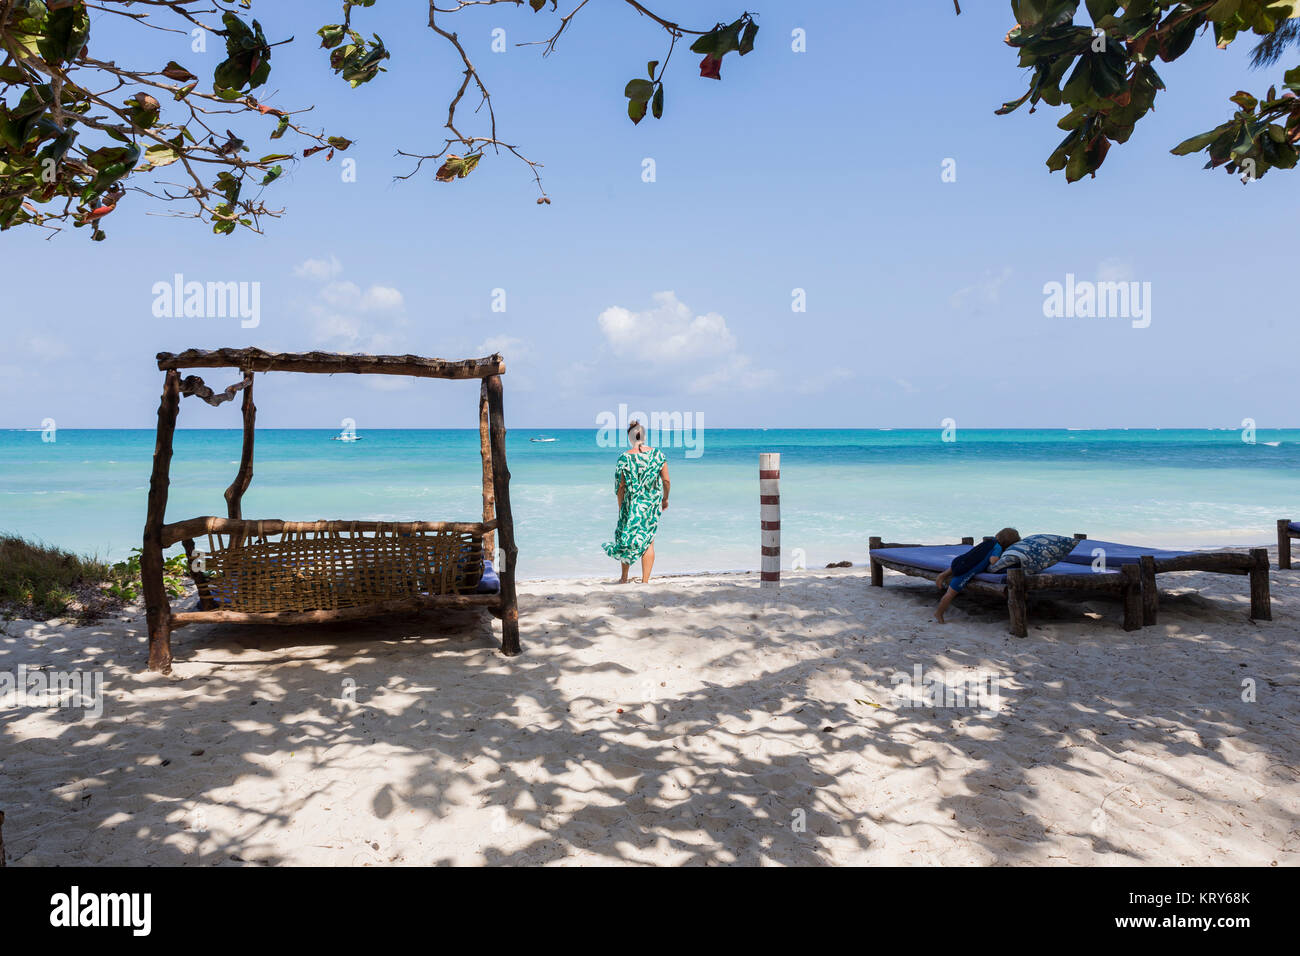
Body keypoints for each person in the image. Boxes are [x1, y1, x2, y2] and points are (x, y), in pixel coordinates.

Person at [602, 420, 670, 584]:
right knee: (648, 541)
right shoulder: (658, 455)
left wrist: (621, 506)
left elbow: (620, 486)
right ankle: (645, 581)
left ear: (630, 438)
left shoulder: (624, 458)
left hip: (631, 503)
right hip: (651, 504)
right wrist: (665, 498)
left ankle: (624, 578)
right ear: (644, 436)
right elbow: (666, 480)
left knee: (626, 538)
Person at [933, 527, 1021, 623]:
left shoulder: (989, 542)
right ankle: (939, 613)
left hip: (960, 561)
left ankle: (942, 575)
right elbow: (993, 561)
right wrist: (1000, 557)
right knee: (950, 594)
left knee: (957, 566)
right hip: (966, 571)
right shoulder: (998, 548)